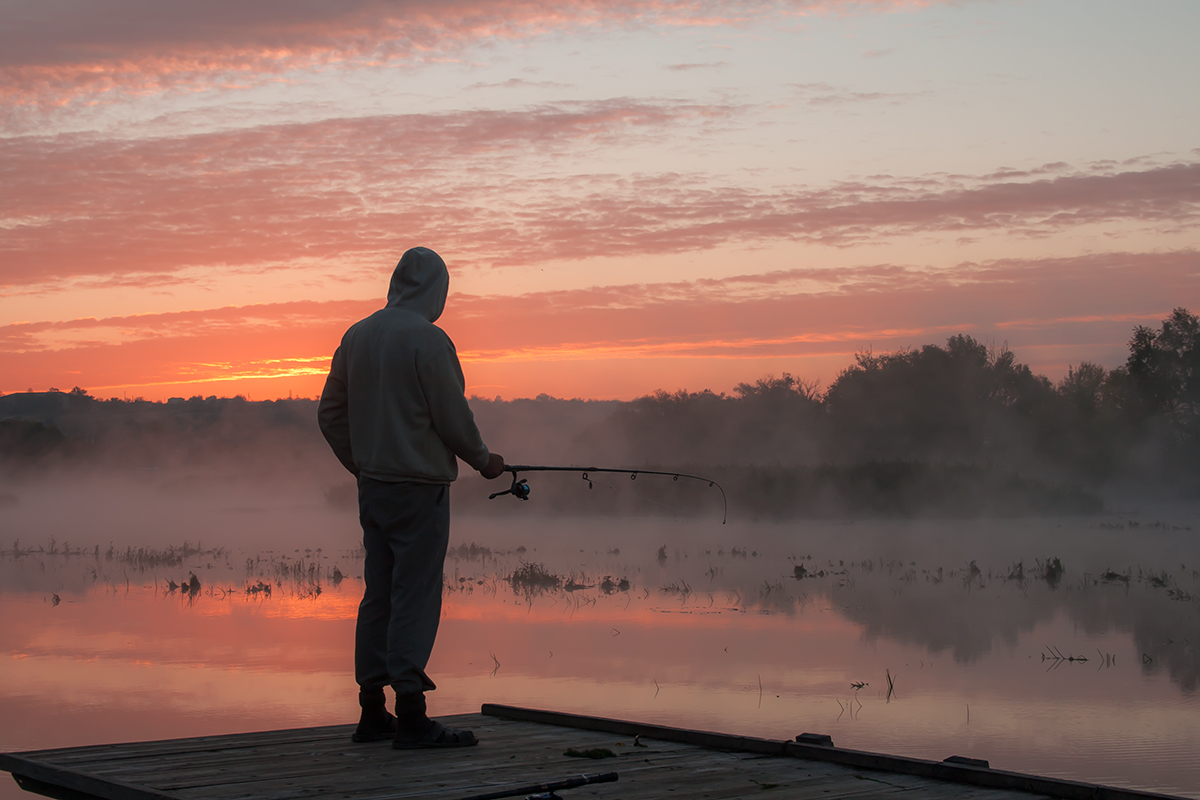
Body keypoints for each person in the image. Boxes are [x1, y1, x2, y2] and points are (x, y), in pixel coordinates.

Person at [318, 247, 505, 749]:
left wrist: (361, 464)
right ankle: (413, 714)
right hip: (420, 491)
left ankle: (372, 711)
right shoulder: (430, 340)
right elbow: (452, 419)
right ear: (436, 291)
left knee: (378, 595)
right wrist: (485, 461)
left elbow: (330, 415)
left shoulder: (357, 336)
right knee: (414, 596)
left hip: (373, 488)